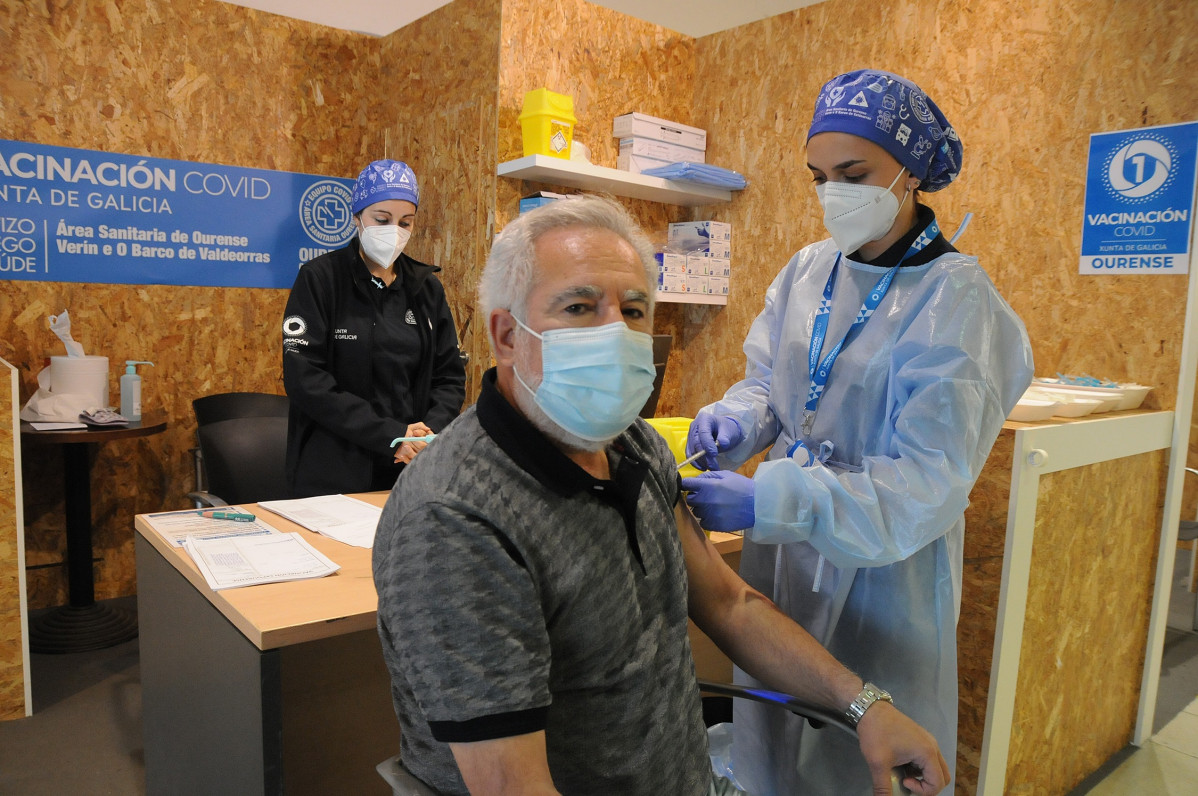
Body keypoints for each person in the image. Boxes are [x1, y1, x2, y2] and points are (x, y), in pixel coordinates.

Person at [373, 195, 950, 796]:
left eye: (633, 309)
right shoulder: (455, 520)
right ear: (507, 336)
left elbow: (730, 605)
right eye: (579, 306)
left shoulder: (637, 448)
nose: (615, 334)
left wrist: (866, 707)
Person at [681, 70, 1035, 795]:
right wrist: (739, 420)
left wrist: (770, 501)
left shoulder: (955, 299)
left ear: (909, 174)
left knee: (860, 755)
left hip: (884, 578)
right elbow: (771, 384)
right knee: (776, 741)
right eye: (818, 176)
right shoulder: (810, 270)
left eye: (853, 173)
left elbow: (924, 487)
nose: (831, 194)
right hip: (785, 565)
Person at [282, 159, 466, 497]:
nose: (393, 230)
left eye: (405, 222)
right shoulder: (320, 280)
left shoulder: (426, 289)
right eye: (381, 219)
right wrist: (390, 435)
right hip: (334, 472)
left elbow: (449, 377)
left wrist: (426, 434)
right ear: (357, 218)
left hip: (410, 470)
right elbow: (305, 380)